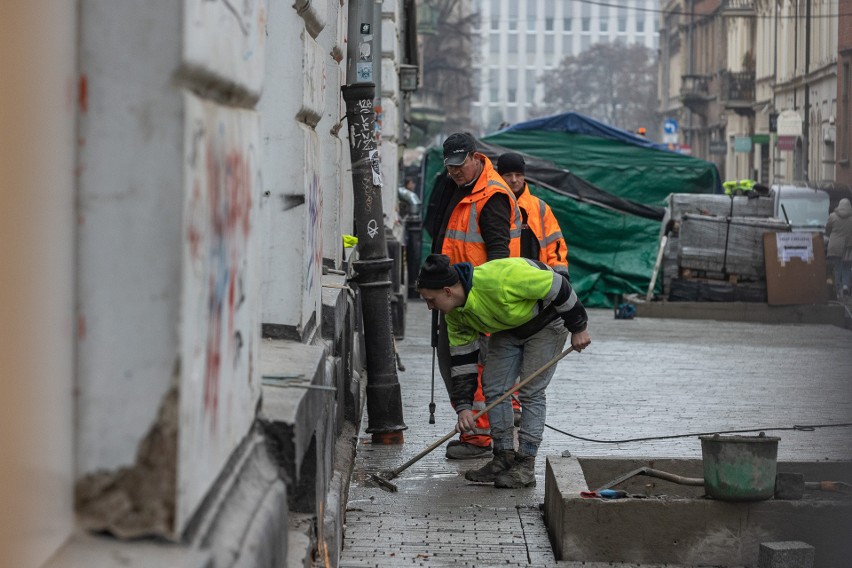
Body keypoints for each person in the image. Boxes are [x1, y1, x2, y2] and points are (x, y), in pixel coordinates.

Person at [416, 254, 591, 488]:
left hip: (548, 321)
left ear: (447, 291)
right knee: (493, 385)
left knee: (531, 391)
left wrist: (578, 327)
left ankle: (526, 464)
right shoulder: (455, 315)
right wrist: (464, 407)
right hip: (511, 326)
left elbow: (558, 285)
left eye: (431, 300)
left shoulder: (499, 280)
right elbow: (463, 362)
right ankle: (503, 457)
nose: (430, 307)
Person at [427, 132, 522, 460]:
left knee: (472, 367)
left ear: (474, 157)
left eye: (459, 164)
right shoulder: (457, 186)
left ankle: (481, 437)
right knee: (456, 363)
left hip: (477, 300)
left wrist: (487, 299)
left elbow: (498, 254)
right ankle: (480, 428)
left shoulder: (491, 194)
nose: (455, 171)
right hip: (454, 295)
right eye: (449, 165)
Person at [496, 152, 571, 426]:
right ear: (500, 175)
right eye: (508, 175)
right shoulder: (493, 205)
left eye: (518, 174)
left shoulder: (539, 208)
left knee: (528, 357)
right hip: (503, 294)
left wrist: (559, 287)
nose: (514, 180)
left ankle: (516, 409)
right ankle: (506, 412)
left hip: (536, 292)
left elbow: (556, 248)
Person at [826, 198, 852, 297]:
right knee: (846, 267)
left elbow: (827, 229)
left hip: (835, 247)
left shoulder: (832, 216)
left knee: (836, 268)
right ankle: (845, 286)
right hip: (848, 247)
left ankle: (837, 291)